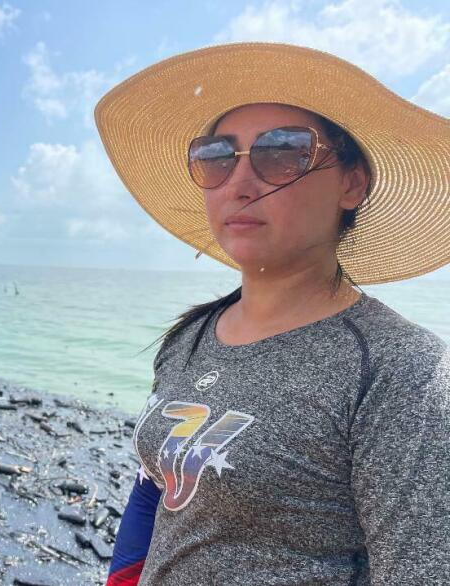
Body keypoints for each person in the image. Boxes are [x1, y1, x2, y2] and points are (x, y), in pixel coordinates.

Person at [95, 43, 450, 585]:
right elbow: (157, 485)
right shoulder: (190, 337)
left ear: (352, 183)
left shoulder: (399, 371)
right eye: (216, 156)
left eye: (282, 151)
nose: (239, 183)